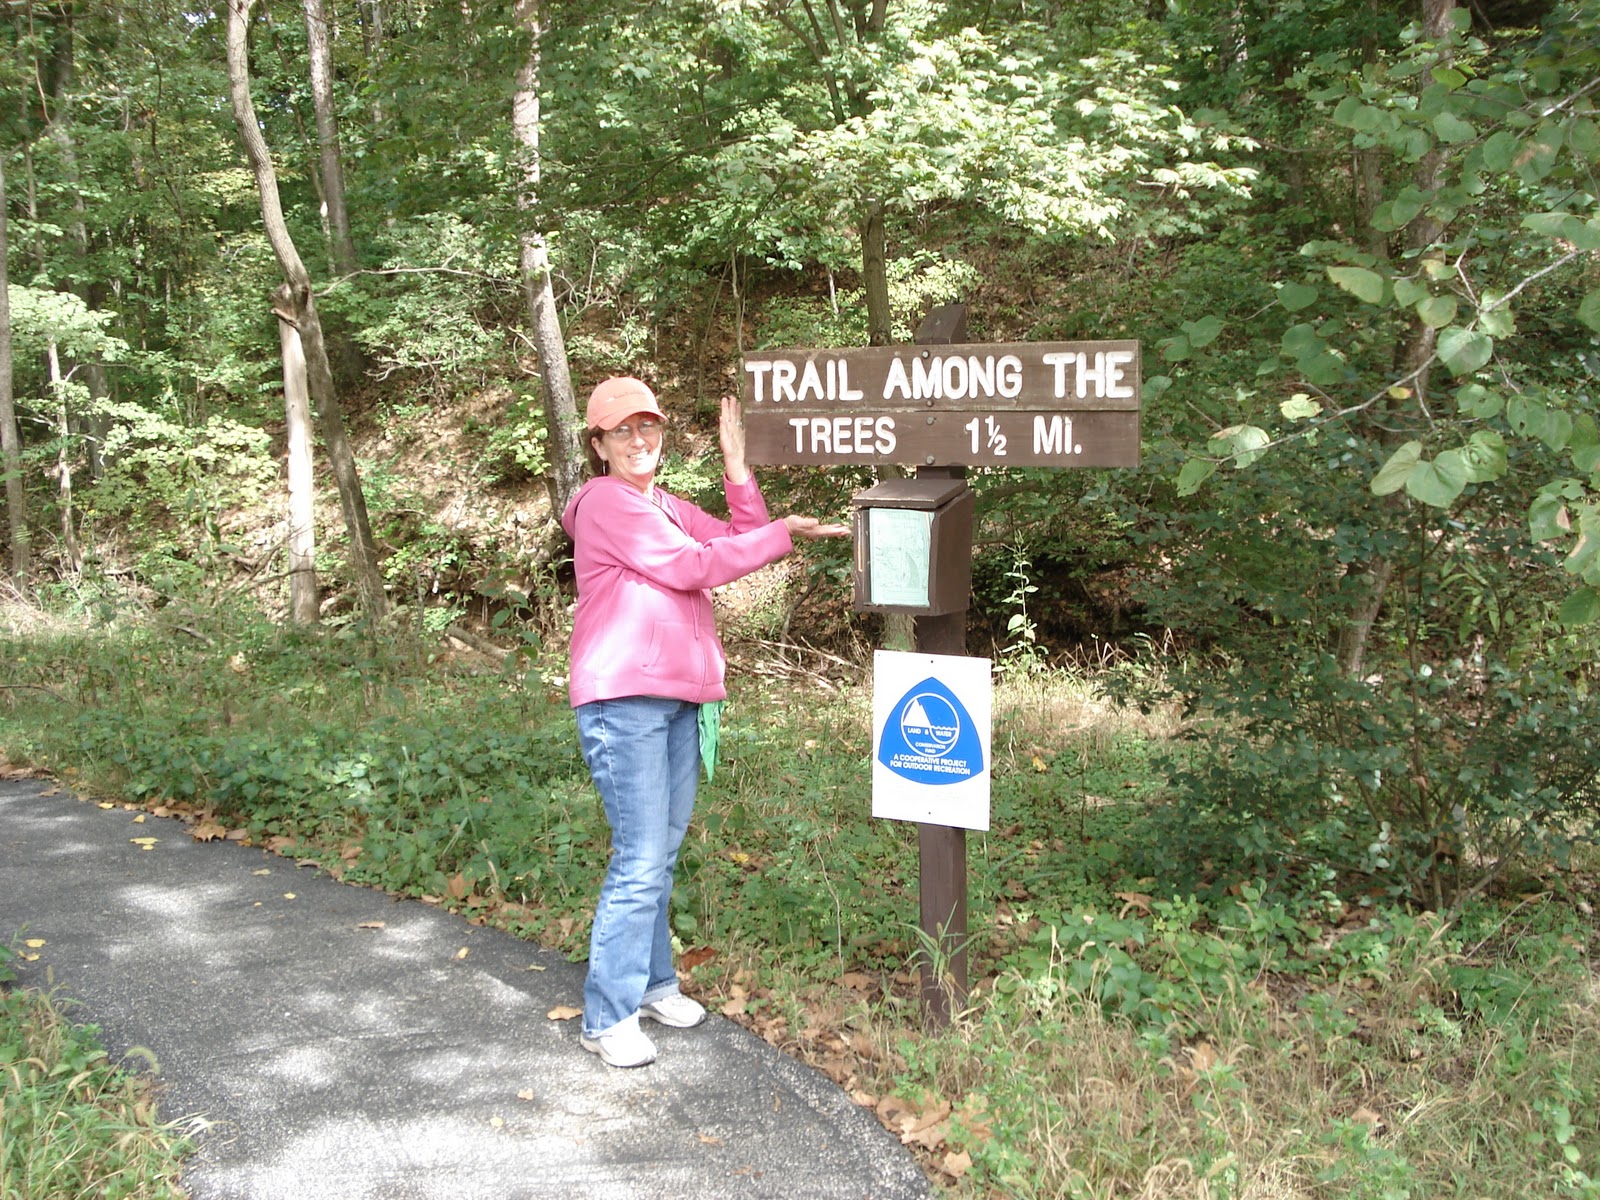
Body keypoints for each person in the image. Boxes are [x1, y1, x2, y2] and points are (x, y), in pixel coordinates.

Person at [561, 376, 848, 1068]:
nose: (639, 440)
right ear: (598, 444)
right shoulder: (605, 503)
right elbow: (695, 568)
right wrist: (783, 534)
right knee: (638, 858)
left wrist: (739, 468)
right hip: (623, 700)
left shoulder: (662, 505)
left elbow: (738, 541)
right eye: (623, 430)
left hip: (680, 699)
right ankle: (608, 1015)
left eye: (648, 427)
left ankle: (654, 984)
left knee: (658, 851)